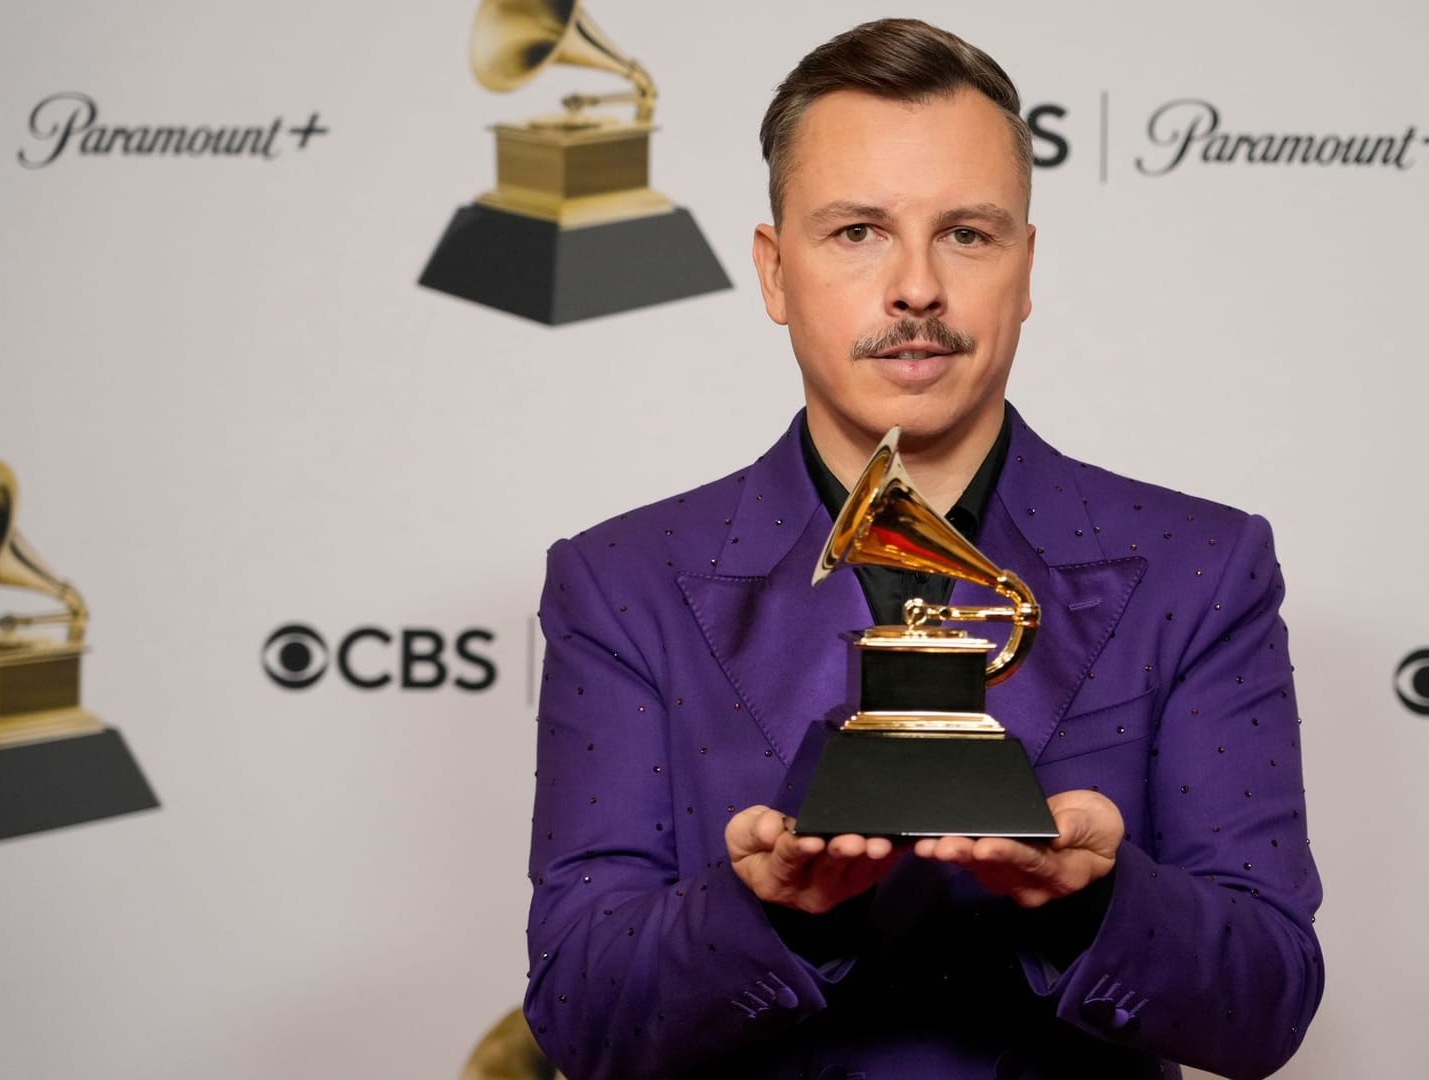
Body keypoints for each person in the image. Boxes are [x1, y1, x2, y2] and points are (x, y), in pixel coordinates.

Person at [524, 18, 1323, 1080]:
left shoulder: (1203, 568)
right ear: (773, 273)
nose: (915, 289)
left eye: (968, 234)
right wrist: (766, 911)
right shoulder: (620, 584)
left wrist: (1098, 899)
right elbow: (581, 1013)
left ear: (1025, 271)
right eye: (856, 231)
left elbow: (1266, 1006)